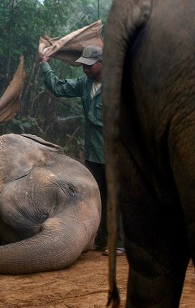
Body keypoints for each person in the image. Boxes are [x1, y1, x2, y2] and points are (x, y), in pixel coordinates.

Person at [39, 45, 124, 256]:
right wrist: (45, 65)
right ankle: (101, 239)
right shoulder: (85, 84)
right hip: (93, 153)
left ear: (101, 63)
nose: (85, 70)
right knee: (98, 195)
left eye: (89, 65)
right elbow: (58, 87)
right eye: (83, 66)